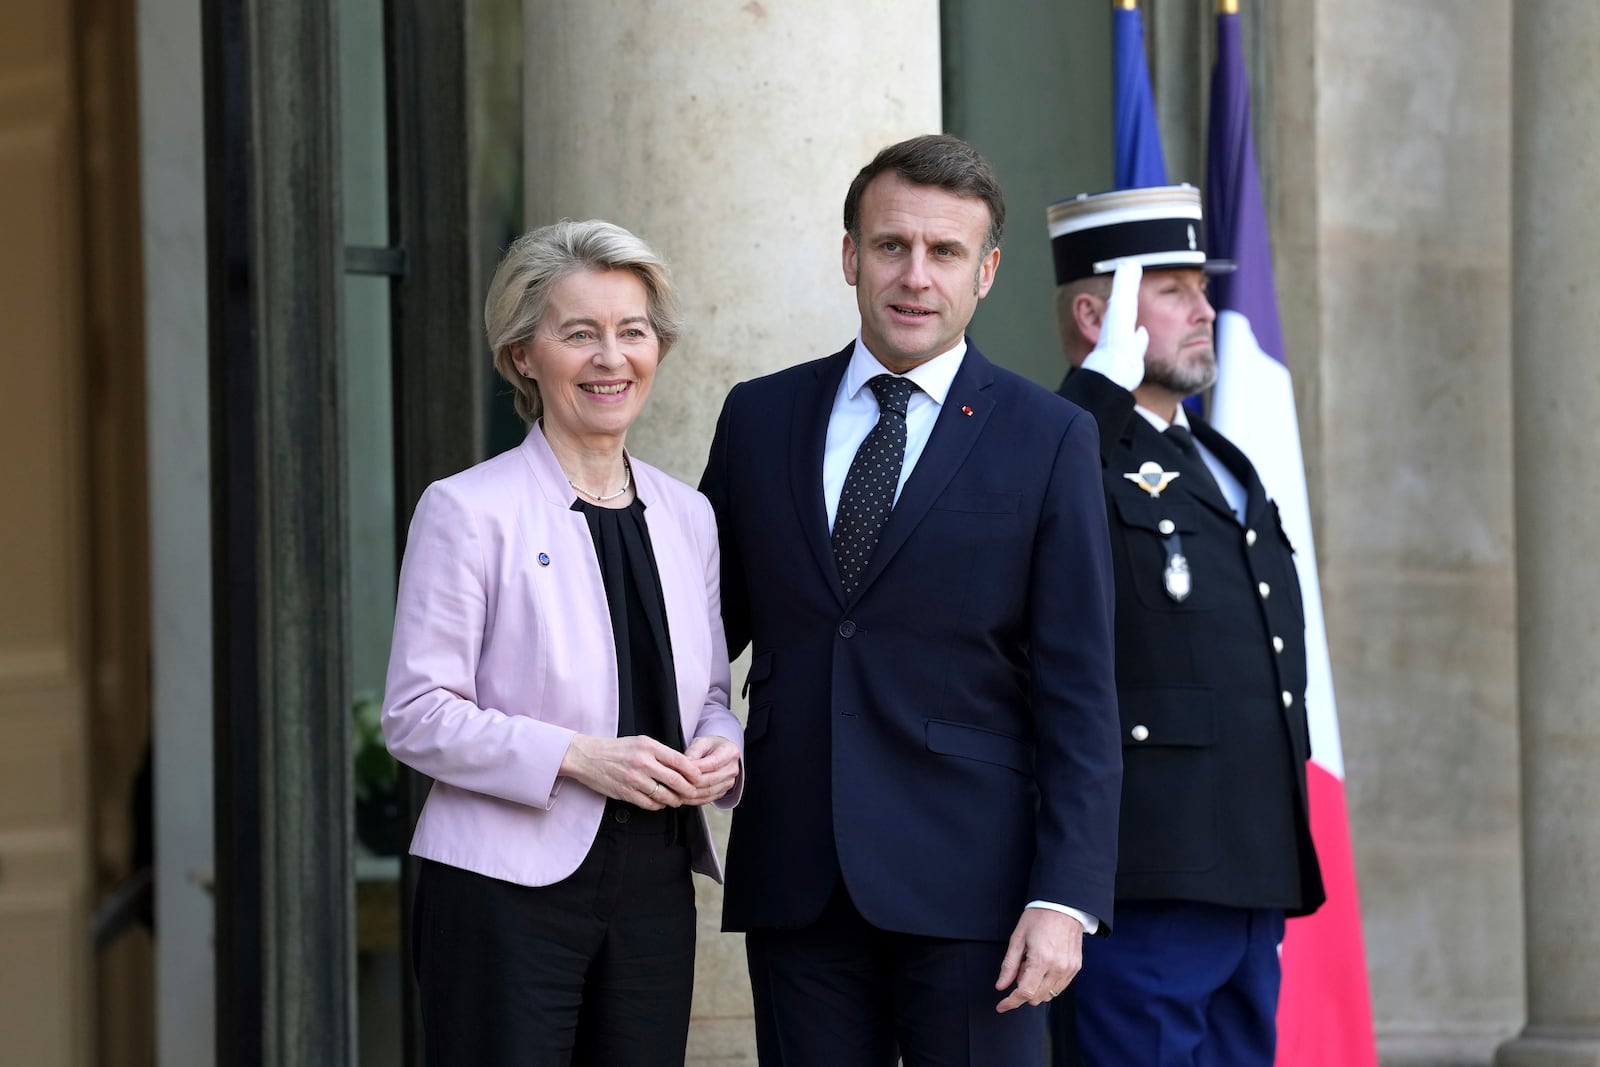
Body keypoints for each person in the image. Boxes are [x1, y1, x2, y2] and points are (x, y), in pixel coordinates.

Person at [698, 134, 1123, 1065]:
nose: (915, 276)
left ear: (988, 271)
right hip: (798, 880)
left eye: (945, 252)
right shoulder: (758, 417)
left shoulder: (1049, 437)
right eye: (892, 246)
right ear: (851, 256)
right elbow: (700, 632)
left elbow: (1081, 688)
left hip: (980, 895)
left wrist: (1066, 898)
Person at [381, 218, 745, 1066]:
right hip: (504, 890)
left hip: (655, 881)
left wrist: (722, 751)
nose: (611, 358)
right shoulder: (467, 509)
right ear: (522, 356)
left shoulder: (688, 517)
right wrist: (577, 756)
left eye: (632, 332)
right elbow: (415, 713)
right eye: (579, 333)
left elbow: (713, 695)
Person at [1045, 185, 1326, 1066]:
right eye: (1171, 289)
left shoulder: (1219, 457)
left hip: (1250, 866)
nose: (1206, 309)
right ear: (1100, 313)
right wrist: (1094, 390)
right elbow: (1019, 522)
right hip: (1150, 872)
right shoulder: (1069, 443)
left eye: (1201, 285)